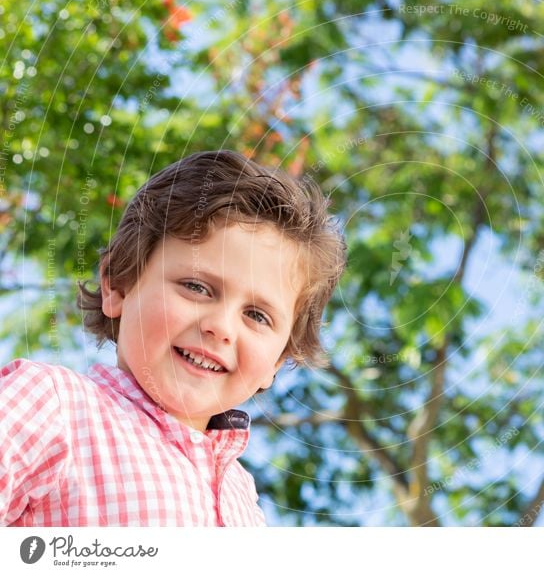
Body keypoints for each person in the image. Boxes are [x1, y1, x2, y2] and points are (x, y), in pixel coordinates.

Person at [0, 150, 346, 526]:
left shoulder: (243, 499)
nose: (222, 327)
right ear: (118, 284)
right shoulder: (54, 406)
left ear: (275, 364)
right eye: (197, 287)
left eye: (257, 315)